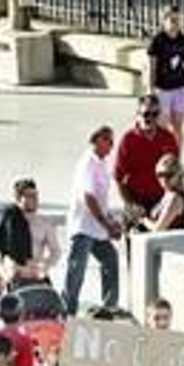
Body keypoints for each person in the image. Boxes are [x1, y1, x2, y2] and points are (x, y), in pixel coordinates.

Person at [64, 125, 123, 314]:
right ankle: (67, 314)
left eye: (112, 140)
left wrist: (111, 220)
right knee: (76, 273)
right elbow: (88, 197)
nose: (112, 145)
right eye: (108, 140)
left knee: (110, 260)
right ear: (96, 140)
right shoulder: (88, 163)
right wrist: (106, 224)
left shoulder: (101, 163)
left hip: (97, 228)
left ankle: (108, 307)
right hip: (83, 227)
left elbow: (101, 199)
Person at [113, 94, 179, 219]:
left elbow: (176, 173)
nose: (150, 118)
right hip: (136, 200)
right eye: (146, 114)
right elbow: (118, 178)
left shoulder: (168, 138)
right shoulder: (128, 140)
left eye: (155, 114)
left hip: (162, 201)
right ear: (138, 114)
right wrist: (130, 204)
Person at [148, 5, 184, 151]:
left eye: (178, 20)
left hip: (181, 88)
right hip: (163, 89)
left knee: (177, 126)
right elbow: (152, 68)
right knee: (162, 127)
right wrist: (151, 90)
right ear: (164, 21)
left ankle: (176, 160)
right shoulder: (157, 41)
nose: (175, 24)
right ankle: (160, 158)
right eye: (172, 20)